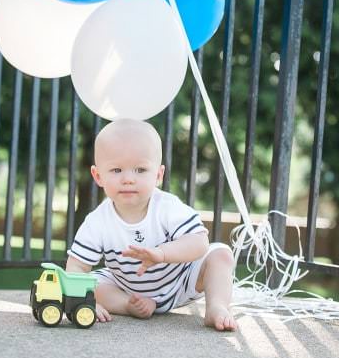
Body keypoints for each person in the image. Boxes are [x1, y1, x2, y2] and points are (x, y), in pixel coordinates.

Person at [65, 118, 238, 331]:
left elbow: (199, 242)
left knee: (220, 254)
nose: (128, 179)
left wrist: (161, 253)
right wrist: (84, 301)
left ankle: (217, 307)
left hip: (180, 282)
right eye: (117, 170)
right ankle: (129, 306)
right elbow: (77, 266)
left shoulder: (166, 206)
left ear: (158, 175)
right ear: (98, 176)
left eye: (140, 170)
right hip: (128, 289)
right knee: (92, 281)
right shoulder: (97, 221)